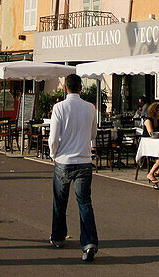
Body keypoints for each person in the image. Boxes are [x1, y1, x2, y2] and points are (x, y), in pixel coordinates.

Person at [48, 73, 99, 262]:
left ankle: (58, 237)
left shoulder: (59, 107)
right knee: (84, 202)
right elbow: (93, 133)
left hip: (64, 160)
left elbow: (54, 137)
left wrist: (53, 154)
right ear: (81, 88)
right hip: (84, 160)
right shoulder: (89, 108)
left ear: (65, 88)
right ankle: (89, 242)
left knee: (60, 201)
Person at [143, 102, 159, 183]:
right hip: (148, 145)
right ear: (155, 111)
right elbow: (151, 133)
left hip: (158, 144)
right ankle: (151, 173)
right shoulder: (148, 121)